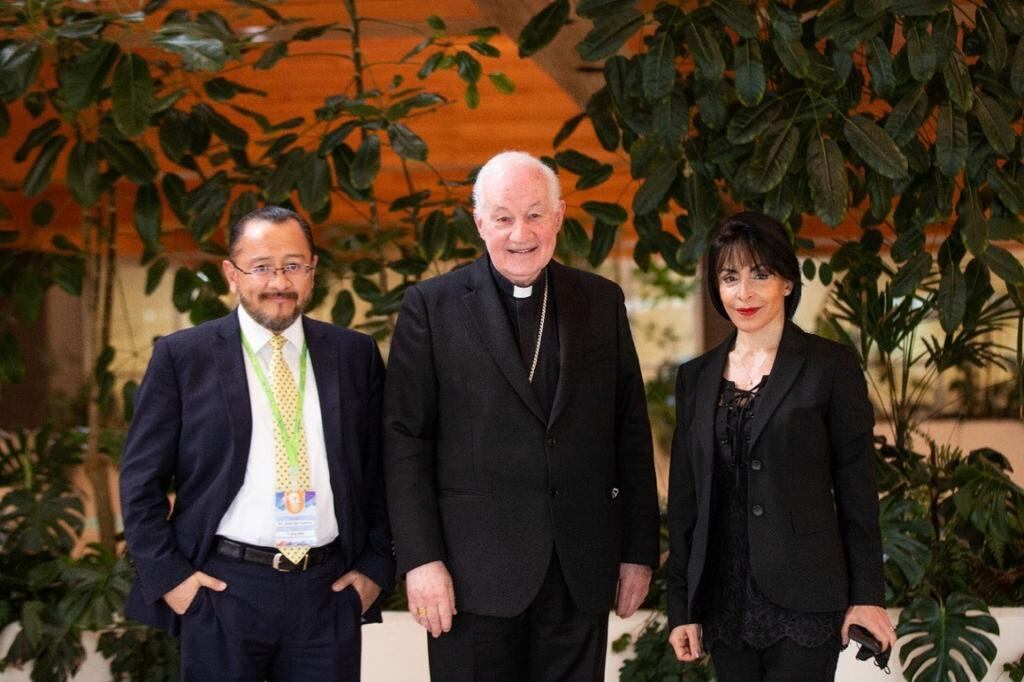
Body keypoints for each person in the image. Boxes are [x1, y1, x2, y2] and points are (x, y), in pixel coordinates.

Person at [384, 151, 659, 681]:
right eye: (504, 217)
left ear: (559, 216)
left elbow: (629, 432)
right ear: (479, 222)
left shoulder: (600, 301)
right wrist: (420, 559)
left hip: (578, 571)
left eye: (535, 215)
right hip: (470, 577)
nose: (520, 234)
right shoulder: (433, 307)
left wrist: (638, 551)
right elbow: (405, 442)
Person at [120, 206, 394, 681]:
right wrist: (173, 580)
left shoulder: (354, 355)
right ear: (232, 274)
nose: (279, 282)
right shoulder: (183, 357)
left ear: (313, 270)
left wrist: (375, 567)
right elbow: (140, 482)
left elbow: (382, 471)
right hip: (223, 590)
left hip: (327, 591)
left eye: (293, 265)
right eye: (262, 267)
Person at [666, 211, 896, 680]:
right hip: (724, 602)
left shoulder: (830, 366)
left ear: (787, 282)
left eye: (760, 274)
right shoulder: (696, 377)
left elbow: (857, 492)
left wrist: (867, 596)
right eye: (730, 278)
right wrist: (681, 608)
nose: (744, 293)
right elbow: (686, 502)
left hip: (806, 597)